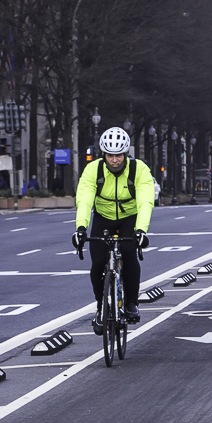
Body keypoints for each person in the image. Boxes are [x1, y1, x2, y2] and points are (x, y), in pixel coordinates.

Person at [72, 127, 156, 335]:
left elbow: (146, 200)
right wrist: (81, 228)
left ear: (126, 154)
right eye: (110, 155)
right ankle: (101, 307)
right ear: (104, 155)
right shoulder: (93, 170)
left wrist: (141, 230)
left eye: (119, 155)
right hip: (103, 217)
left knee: (128, 254)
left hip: (129, 217)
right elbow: (84, 200)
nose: (115, 160)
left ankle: (131, 304)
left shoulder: (139, 170)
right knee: (98, 262)